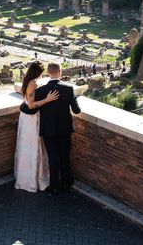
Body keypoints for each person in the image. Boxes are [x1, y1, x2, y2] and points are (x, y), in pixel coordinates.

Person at [34, 63, 81, 194]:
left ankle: (53, 185)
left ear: (48, 73)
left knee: (52, 157)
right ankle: (66, 183)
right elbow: (76, 111)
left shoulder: (41, 90)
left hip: (48, 130)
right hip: (64, 129)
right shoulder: (68, 89)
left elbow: (33, 108)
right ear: (60, 72)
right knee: (64, 156)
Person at [14, 61, 59, 192]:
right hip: (31, 118)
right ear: (38, 72)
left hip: (27, 117)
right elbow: (31, 105)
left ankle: (28, 176)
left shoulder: (29, 80)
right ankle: (32, 180)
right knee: (32, 145)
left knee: (28, 145)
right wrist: (48, 99)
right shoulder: (32, 83)